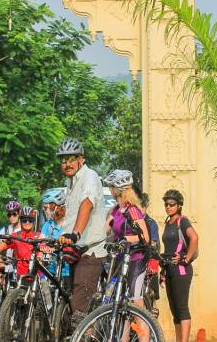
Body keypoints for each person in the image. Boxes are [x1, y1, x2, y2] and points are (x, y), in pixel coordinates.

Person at [55, 138, 107, 325]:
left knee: (79, 311)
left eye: (71, 159)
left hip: (90, 252)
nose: (67, 164)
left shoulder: (89, 176)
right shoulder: (70, 183)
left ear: (81, 159)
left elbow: (87, 203)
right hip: (76, 252)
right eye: (63, 160)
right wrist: (57, 238)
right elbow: (70, 217)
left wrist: (75, 233)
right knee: (72, 304)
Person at [104, 170, 150, 314]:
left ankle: (147, 334)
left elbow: (145, 237)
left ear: (118, 190)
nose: (110, 190)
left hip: (136, 259)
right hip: (121, 258)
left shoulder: (133, 210)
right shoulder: (116, 210)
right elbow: (105, 232)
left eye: (112, 187)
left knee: (135, 303)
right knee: (121, 306)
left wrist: (126, 239)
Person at [161, 189, 199, 342]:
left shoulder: (182, 220)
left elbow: (194, 237)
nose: (168, 206)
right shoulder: (168, 222)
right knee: (175, 310)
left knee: (182, 309)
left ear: (179, 205)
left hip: (181, 270)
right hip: (169, 269)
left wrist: (186, 258)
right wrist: (162, 271)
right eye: (166, 204)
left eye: (172, 204)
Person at [0, 206, 40, 277]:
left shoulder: (38, 236)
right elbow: (3, 245)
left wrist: (41, 255)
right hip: (18, 275)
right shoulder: (15, 235)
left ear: (33, 222)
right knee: (0, 270)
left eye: (30, 220)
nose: (27, 223)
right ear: (21, 221)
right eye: (24, 220)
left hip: (36, 275)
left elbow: (42, 251)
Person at [40, 188, 71, 291]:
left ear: (55, 207)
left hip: (65, 269)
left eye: (46, 208)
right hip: (51, 267)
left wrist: (54, 248)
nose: (45, 211)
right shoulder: (48, 224)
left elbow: (66, 242)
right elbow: (40, 240)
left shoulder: (68, 224)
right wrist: (42, 247)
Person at [0, 200, 22, 282]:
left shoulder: (23, 229)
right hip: (7, 260)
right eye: (9, 215)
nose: (11, 217)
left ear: (19, 213)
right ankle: (1, 291)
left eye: (14, 214)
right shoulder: (5, 229)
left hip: (19, 261)